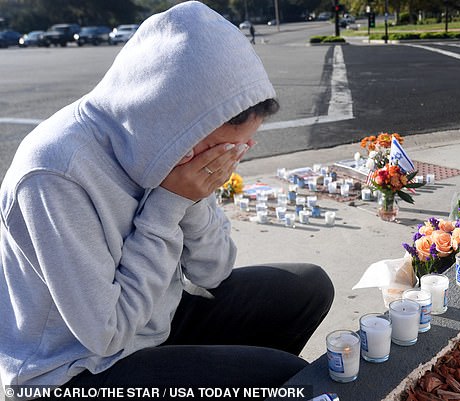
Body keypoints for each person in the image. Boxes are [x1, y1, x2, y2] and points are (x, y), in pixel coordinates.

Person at [0, 2, 334, 400]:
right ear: (172, 120)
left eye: (239, 147)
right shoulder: (53, 174)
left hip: (153, 318)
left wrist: (194, 198)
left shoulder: (166, 149)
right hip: (73, 371)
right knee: (290, 381)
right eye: (219, 146)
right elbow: (106, 332)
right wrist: (170, 202)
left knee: (307, 288)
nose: (226, 157)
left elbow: (214, 273)